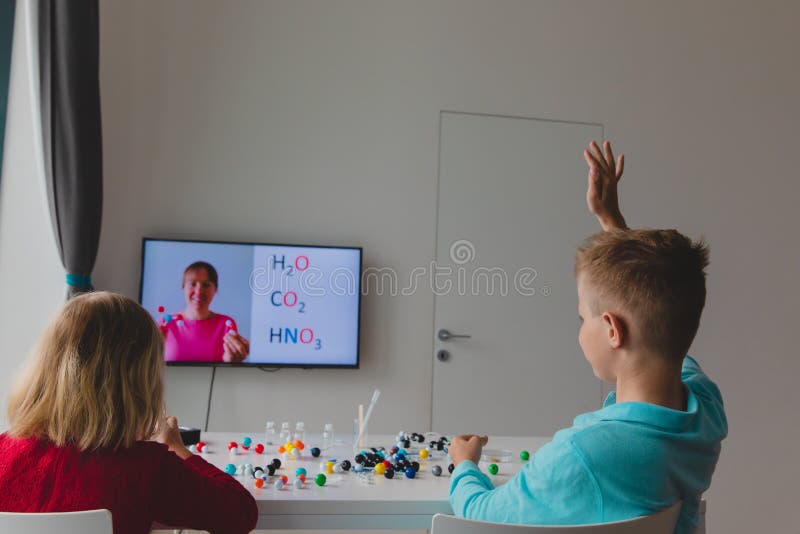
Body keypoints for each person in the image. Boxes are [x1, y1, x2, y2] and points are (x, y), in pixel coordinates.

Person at [448, 141, 727, 533]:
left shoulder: (584, 455)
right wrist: (612, 222)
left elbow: (476, 514)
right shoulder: (706, 406)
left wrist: (464, 464)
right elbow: (661, 313)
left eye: (582, 317)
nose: (580, 329)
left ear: (613, 330)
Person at [0, 292, 258, 534]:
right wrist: (179, 449)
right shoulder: (148, 468)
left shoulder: (4, 450)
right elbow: (241, 513)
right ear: (137, 383)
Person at [163, 261, 250, 363]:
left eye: (206, 285)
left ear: (215, 289)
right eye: (193, 284)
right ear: (183, 287)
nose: (199, 291)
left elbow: (230, 371)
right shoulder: (165, 323)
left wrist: (232, 362)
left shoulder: (226, 324)